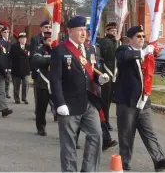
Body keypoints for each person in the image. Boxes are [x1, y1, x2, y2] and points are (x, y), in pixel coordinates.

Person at [50, 16, 110, 172]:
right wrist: (60, 103)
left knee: (97, 136)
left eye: (85, 30)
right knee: (69, 143)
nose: (84, 33)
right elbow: (55, 80)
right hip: (69, 103)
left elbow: (90, 72)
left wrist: (100, 78)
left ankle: (88, 170)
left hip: (89, 101)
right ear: (69, 31)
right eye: (80, 30)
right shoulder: (60, 51)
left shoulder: (90, 49)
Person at [113, 25, 165, 172]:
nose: (142, 39)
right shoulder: (123, 50)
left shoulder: (146, 52)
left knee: (149, 132)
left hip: (144, 99)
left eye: (143, 36)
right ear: (130, 38)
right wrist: (143, 52)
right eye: (138, 36)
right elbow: (125, 57)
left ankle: (159, 160)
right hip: (127, 100)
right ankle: (125, 162)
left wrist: (151, 52)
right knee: (126, 133)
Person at [75, 25, 118, 151]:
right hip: (80, 87)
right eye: (86, 32)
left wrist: (101, 76)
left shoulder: (92, 48)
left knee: (98, 113)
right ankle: (74, 139)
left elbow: (95, 65)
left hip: (93, 87)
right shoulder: (74, 49)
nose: (87, 34)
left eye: (89, 32)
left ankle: (105, 140)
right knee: (78, 115)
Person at [31, 31, 56, 136]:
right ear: (45, 41)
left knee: (59, 107)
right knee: (41, 108)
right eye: (49, 40)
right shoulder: (40, 50)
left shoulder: (58, 50)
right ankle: (41, 127)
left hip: (55, 83)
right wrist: (51, 60)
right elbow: (37, 60)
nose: (52, 42)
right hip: (43, 83)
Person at [99, 22, 120, 130]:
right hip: (107, 73)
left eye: (115, 31)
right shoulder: (105, 41)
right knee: (105, 100)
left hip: (114, 73)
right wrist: (115, 41)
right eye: (112, 31)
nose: (114, 33)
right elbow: (110, 54)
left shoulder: (114, 41)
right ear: (107, 31)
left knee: (110, 99)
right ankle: (104, 121)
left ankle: (105, 120)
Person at [30, 20, 52, 113]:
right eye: (46, 27)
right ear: (41, 28)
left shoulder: (54, 37)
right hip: (39, 71)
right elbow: (33, 55)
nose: (48, 29)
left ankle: (55, 112)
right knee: (39, 94)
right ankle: (38, 111)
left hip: (51, 71)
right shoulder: (35, 39)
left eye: (49, 27)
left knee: (53, 92)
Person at [9, 32, 31, 104]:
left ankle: (24, 98)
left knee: (26, 83)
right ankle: (17, 98)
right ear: (19, 40)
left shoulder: (28, 46)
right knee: (16, 85)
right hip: (16, 68)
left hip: (26, 69)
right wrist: (10, 67)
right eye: (22, 39)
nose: (24, 40)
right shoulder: (14, 47)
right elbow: (10, 57)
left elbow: (30, 58)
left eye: (25, 39)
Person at [0, 27, 16, 99]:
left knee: (8, 79)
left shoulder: (12, 40)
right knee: (1, 79)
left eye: (7, 32)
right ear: (1, 33)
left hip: (9, 62)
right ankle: (1, 92)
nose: (6, 33)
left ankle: (6, 92)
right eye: (4, 32)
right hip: (2, 62)